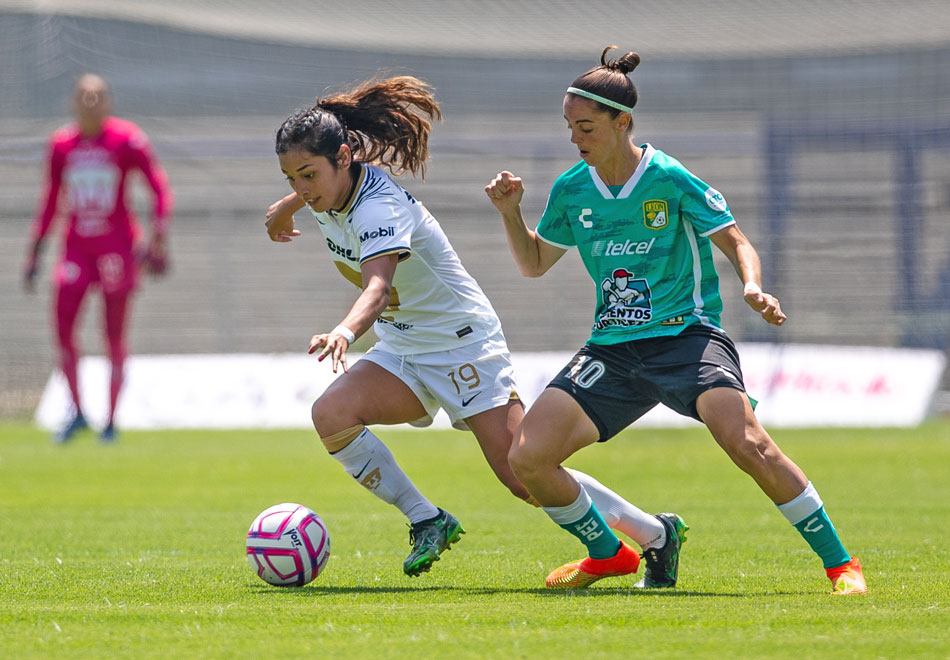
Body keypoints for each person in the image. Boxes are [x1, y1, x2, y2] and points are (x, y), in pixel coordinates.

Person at [485, 47, 867, 595]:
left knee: (748, 444)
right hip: (612, 350)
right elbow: (534, 263)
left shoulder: (668, 177)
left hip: (687, 338)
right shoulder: (572, 188)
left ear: (624, 123)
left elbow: (735, 241)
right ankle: (611, 553)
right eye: (570, 127)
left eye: (587, 127)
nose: (576, 138)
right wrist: (510, 214)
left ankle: (841, 566)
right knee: (527, 458)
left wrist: (753, 286)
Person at [264, 75, 675, 580]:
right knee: (332, 414)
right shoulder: (330, 190)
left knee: (524, 476)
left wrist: (345, 333)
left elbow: (375, 288)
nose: (302, 190)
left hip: (463, 346)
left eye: (307, 176)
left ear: (345, 158)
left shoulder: (378, 209)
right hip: (405, 347)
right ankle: (427, 519)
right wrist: (286, 206)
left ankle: (654, 534)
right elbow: (314, 195)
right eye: (290, 180)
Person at [23, 73, 173, 444]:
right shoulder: (61, 144)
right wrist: (35, 252)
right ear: (73, 102)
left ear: (108, 102)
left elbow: (158, 187)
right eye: (84, 96)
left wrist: (158, 237)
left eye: (98, 96)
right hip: (76, 247)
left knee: (113, 335)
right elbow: (50, 200)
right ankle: (77, 411)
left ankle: (110, 419)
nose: (90, 102)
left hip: (117, 248)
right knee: (64, 329)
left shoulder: (126, 139)